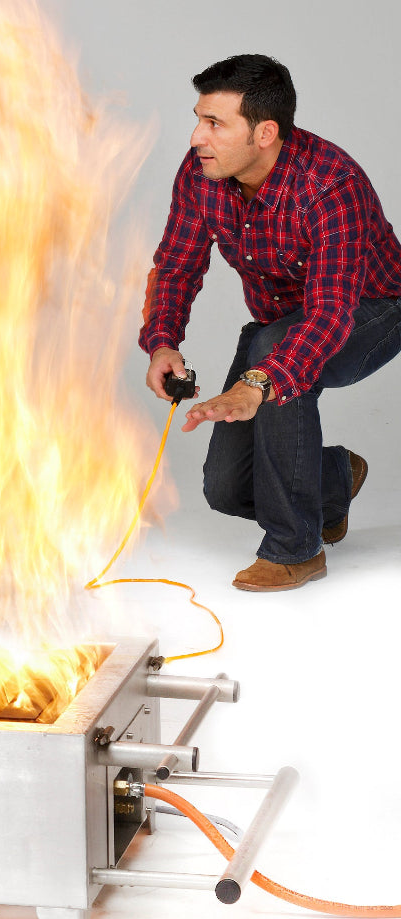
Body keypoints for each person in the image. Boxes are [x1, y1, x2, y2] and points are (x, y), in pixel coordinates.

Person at [141, 54, 401, 592]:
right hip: (280, 327)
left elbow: (329, 313)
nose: (196, 137)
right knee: (227, 489)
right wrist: (163, 342)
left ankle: (295, 549)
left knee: (277, 351)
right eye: (198, 118)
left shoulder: (331, 183)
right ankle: (334, 477)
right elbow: (177, 262)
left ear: (265, 132)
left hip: (375, 311)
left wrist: (259, 383)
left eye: (214, 124)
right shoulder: (203, 173)